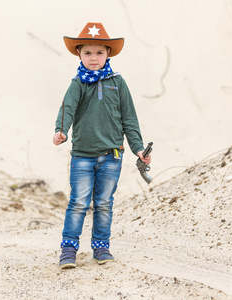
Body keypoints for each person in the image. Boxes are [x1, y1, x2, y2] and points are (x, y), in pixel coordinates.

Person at [53, 22, 151, 269]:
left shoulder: (117, 83)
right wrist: (60, 131)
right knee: (78, 201)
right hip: (82, 156)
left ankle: (101, 247)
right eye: (87, 52)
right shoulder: (78, 83)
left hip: (112, 155)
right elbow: (67, 108)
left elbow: (129, 118)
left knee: (104, 203)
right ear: (79, 54)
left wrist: (138, 148)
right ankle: (68, 248)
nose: (93, 58)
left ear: (108, 53)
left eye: (99, 52)